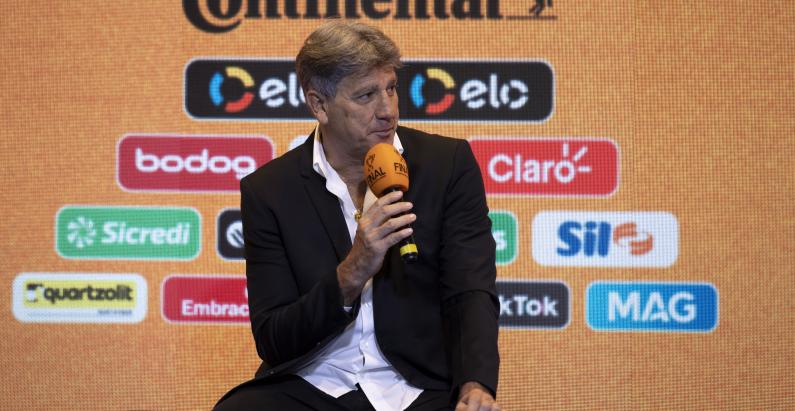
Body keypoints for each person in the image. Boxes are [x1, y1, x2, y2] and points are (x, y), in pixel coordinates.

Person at [214, 21, 500, 411]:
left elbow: (470, 289)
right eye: (366, 95)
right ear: (319, 105)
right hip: (315, 385)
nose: (387, 110)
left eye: (391, 89)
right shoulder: (269, 191)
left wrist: (475, 384)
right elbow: (274, 338)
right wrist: (353, 270)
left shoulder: (447, 166)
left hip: (418, 385)